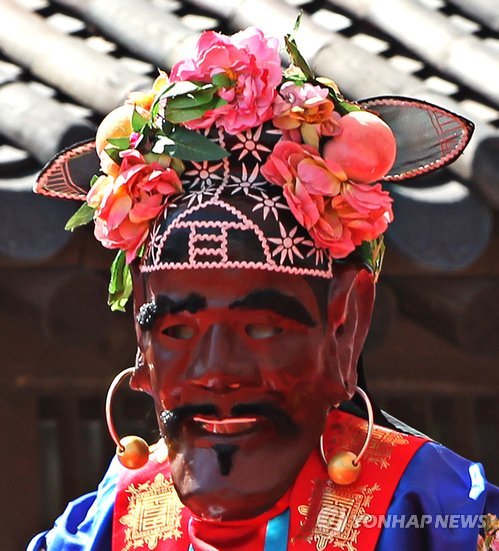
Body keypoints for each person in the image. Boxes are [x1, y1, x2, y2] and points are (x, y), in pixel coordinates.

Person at [29, 25, 498, 551]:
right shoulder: (107, 525)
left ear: (344, 325)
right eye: (177, 330)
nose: (216, 371)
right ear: (142, 346)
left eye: (260, 327)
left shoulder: (433, 513)